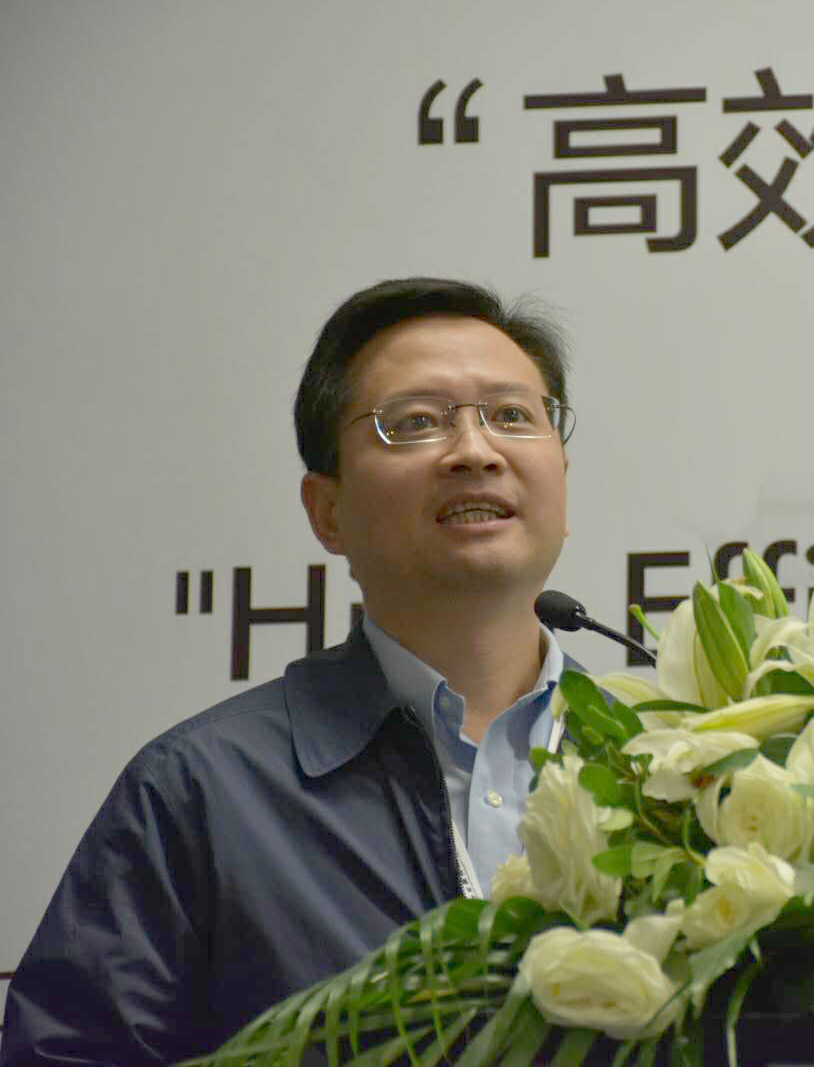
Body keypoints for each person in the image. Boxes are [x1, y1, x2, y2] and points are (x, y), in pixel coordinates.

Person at [1, 278, 578, 1064]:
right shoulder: (201, 792)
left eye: (511, 415)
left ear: (563, 475)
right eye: (416, 422)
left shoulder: (678, 774)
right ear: (327, 511)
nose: (476, 451)